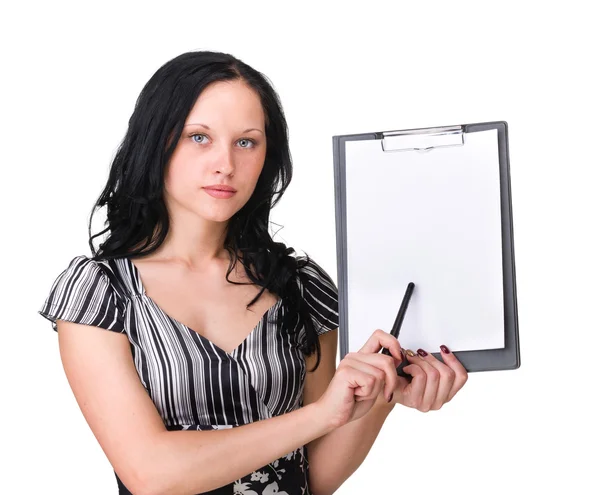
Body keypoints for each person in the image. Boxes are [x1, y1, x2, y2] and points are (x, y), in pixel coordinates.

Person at [38, 50, 468, 495]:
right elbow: (152, 474)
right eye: (199, 137)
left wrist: (383, 392)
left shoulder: (301, 287)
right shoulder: (100, 293)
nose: (225, 163)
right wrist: (321, 414)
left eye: (247, 142)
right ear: (156, 141)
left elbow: (313, 476)